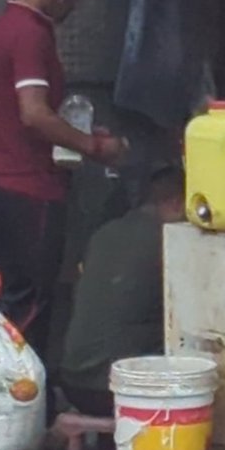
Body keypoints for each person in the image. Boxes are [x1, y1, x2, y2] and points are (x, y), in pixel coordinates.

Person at [0, 0, 126, 360]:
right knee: (30, 306)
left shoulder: (5, 28)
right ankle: (20, 407)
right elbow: (34, 115)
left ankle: (13, 404)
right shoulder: (29, 34)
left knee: (21, 299)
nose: (75, 4)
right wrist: (95, 146)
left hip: (6, 187)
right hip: (31, 191)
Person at [60, 166, 186, 417]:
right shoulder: (171, 240)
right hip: (121, 390)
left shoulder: (104, 233)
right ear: (175, 203)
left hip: (73, 382)